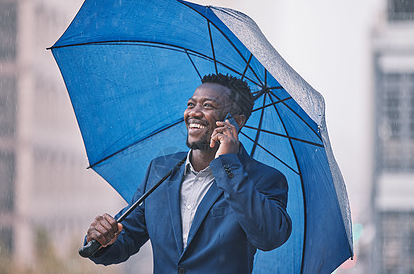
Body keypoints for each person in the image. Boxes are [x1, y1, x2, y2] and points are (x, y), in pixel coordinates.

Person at [85, 73, 292, 273]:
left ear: (236, 122)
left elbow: (269, 236)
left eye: (208, 105)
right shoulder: (160, 169)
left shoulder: (265, 180)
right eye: (191, 104)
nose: (193, 112)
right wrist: (103, 239)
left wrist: (228, 164)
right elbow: (127, 236)